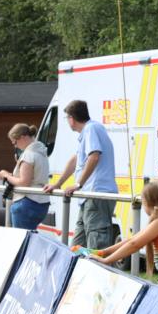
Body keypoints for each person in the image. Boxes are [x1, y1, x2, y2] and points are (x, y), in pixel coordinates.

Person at [44, 100, 119, 250]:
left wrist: (78, 184)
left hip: (96, 194)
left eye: (67, 118)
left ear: (71, 118)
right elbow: (75, 160)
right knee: (77, 247)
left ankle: (96, 266)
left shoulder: (91, 129)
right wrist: (58, 184)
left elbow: (94, 156)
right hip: (88, 196)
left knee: (95, 246)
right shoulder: (89, 131)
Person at [90, 181, 158, 290]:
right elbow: (132, 239)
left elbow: (135, 244)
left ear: (148, 203)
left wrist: (107, 260)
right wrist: (104, 252)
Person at [0, 123, 50, 230]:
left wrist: (6, 176)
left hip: (26, 202)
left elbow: (24, 182)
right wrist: (11, 175)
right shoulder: (42, 152)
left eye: (15, 142)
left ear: (23, 137)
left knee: (21, 238)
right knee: (31, 236)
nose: (15, 146)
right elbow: (33, 177)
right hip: (42, 202)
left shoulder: (28, 155)